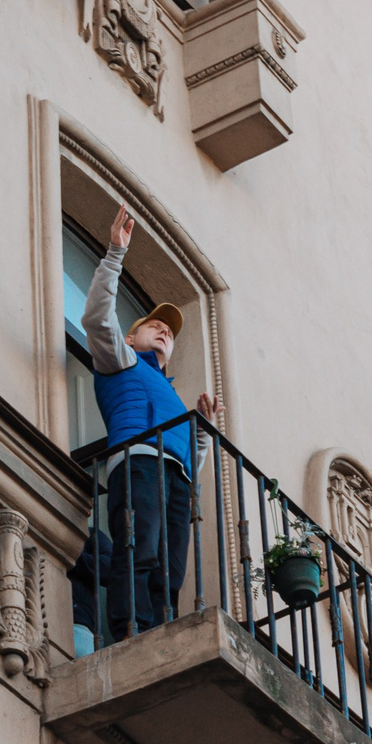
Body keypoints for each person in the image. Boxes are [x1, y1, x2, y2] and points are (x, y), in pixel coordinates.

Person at [84, 206, 222, 636]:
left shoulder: (172, 393)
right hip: (138, 463)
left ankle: (159, 630)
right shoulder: (121, 359)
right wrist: (114, 255)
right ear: (130, 337)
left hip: (175, 477)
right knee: (139, 548)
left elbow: (189, 458)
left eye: (170, 330)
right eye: (154, 325)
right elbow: (95, 319)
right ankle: (130, 627)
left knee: (170, 567)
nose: (164, 329)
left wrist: (202, 427)